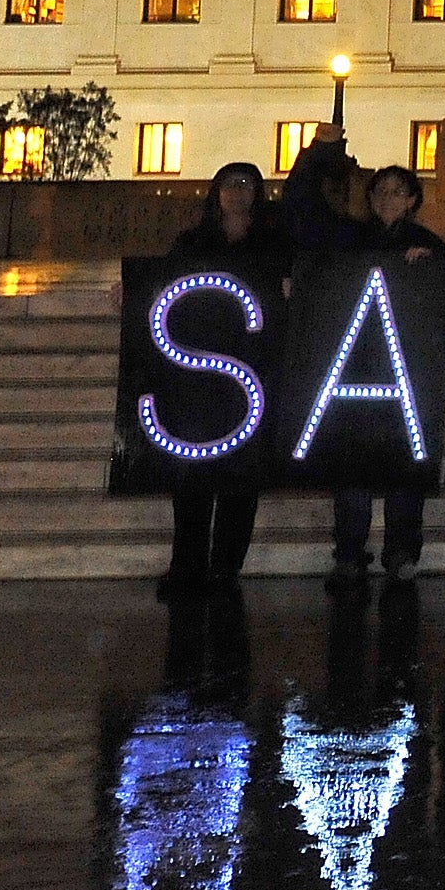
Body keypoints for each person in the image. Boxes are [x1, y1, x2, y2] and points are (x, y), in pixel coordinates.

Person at [282, 127, 445, 587]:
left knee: (404, 463)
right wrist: (320, 151)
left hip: (404, 374)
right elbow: (299, 204)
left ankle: (401, 552)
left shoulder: (430, 247)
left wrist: (431, 273)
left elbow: (443, 303)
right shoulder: (349, 238)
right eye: (379, 189)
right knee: (352, 462)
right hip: (354, 367)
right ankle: (351, 552)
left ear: (414, 199)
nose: (386, 197)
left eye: (398, 190)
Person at [153, 161, 290, 600]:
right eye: (230, 184)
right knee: (192, 478)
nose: (238, 191)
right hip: (199, 377)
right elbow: (162, 283)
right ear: (216, 192)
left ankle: (225, 568)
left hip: (251, 373)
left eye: (247, 183)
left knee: (240, 480)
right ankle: (186, 565)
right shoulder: (193, 242)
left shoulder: (273, 243)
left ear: (258, 192)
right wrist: (131, 289)